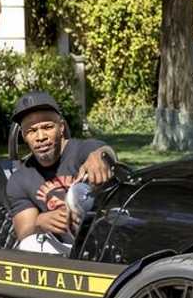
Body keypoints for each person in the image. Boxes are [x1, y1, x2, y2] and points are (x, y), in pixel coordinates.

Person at [6, 91, 115, 254]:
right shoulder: (19, 179)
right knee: (29, 244)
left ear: (61, 127)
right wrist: (39, 222)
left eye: (47, 127)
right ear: (24, 136)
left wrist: (101, 156)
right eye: (32, 131)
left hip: (106, 240)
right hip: (65, 252)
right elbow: (24, 232)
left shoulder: (80, 150)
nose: (40, 136)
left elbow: (102, 150)